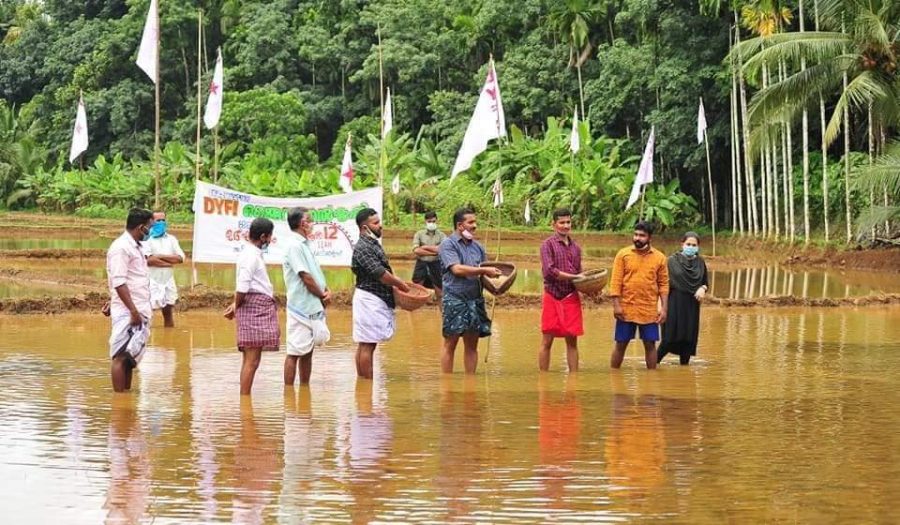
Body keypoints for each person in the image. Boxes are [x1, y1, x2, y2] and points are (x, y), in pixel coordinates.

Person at [438, 207, 502, 374]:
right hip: (455, 299)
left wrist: (494, 288)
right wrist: (483, 271)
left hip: (475, 299)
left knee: (472, 344)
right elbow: (457, 269)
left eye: (475, 222)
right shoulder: (447, 245)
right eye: (471, 222)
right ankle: (447, 384)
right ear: (460, 226)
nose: (475, 225)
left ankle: (470, 382)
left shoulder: (478, 247)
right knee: (450, 343)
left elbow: (483, 276)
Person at [351, 208, 409, 380]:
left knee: (366, 344)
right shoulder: (363, 247)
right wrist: (401, 284)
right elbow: (380, 274)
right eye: (375, 223)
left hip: (372, 298)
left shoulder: (371, 243)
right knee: (367, 345)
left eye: (379, 221)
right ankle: (366, 385)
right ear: (364, 228)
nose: (380, 225)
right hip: (370, 299)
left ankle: (363, 385)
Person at [224, 218, 280, 395]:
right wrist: (236, 305)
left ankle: (245, 399)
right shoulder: (250, 256)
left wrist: (236, 304)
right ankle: (245, 400)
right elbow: (242, 286)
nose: (270, 241)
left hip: (252, 306)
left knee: (250, 358)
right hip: (254, 307)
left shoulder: (252, 254)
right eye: (269, 237)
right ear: (263, 236)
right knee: (252, 360)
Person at [608, 220, 669, 369]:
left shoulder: (660, 258)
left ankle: (651, 380)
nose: (637, 238)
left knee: (650, 345)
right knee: (621, 344)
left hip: (648, 309)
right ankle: (614, 377)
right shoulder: (623, 255)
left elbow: (664, 284)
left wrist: (664, 308)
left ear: (650, 238)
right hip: (626, 308)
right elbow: (615, 282)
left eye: (642, 235)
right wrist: (616, 306)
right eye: (635, 234)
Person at [106, 208, 154, 392]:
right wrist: (133, 311)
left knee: (129, 358)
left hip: (137, 307)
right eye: (149, 227)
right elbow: (119, 281)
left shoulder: (136, 247)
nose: (150, 231)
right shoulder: (121, 248)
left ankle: (125, 396)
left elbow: (128, 279)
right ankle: (119, 403)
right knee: (120, 356)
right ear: (141, 227)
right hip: (129, 310)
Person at [282, 207, 332, 386]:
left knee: (308, 351)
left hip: (312, 305)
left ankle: (304, 390)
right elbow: (305, 276)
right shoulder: (294, 246)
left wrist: (325, 290)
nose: (312, 224)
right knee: (294, 352)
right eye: (310, 220)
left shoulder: (304, 244)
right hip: (300, 306)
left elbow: (315, 273)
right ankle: (289, 393)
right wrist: (322, 295)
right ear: (303, 224)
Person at [539, 208, 585, 372]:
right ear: (554, 224)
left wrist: (590, 286)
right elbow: (550, 272)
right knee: (547, 341)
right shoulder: (547, 245)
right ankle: (543, 380)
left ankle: (574, 379)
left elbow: (579, 273)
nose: (566, 226)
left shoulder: (576, 248)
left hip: (571, 296)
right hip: (552, 295)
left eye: (568, 222)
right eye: (562, 222)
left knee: (572, 341)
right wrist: (575, 278)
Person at [658, 231, 708, 365]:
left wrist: (702, 288)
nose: (691, 247)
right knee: (668, 339)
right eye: (688, 244)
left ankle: (684, 372)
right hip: (674, 303)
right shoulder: (671, 261)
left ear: (698, 246)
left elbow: (705, 282)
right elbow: (662, 284)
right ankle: (652, 366)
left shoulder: (700, 262)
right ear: (682, 244)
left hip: (692, 305)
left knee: (688, 340)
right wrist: (661, 306)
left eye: (694, 245)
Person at [145, 211, 186, 328]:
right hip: (150, 280)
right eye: (158, 220)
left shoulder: (171, 239)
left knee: (168, 313)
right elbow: (148, 260)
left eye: (163, 220)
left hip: (167, 280)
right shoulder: (146, 239)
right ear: (151, 222)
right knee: (147, 313)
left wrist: (158, 256)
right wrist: (168, 263)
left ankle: (168, 340)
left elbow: (180, 258)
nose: (161, 223)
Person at [411, 211, 446, 303]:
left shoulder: (442, 235)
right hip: (421, 264)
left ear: (437, 221)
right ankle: (414, 316)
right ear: (425, 221)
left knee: (440, 293)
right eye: (429, 222)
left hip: (436, 265)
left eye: (433, 221)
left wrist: (425, 247)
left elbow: (443, 249)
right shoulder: (419, 234)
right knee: (416, 292)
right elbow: (416, 250)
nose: (431, 223)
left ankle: (443, 316)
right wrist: (433, 252)